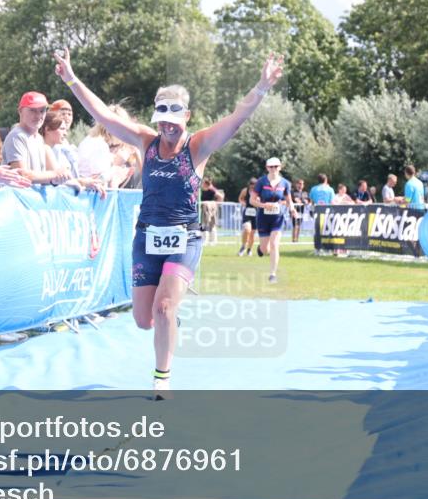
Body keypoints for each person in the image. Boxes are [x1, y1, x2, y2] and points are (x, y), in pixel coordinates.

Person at [55, 46, 283, 397]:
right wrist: (71, 78)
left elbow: (236, 118)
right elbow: (103, 114)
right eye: (162, 124)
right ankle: (168, 319)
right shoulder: (145, 141)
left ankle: (162, 378)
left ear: (186, 119)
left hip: (185, 239)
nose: (167, 130)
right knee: (144, 320)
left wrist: (262, 86)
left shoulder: (199, 146)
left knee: (163, 307)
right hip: (146, 238)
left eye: (174, 125)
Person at [2, 91, 71, 184]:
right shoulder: (16, 136)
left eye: (42, 111)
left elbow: (46, 177)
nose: (38, 115)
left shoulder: (39, 139)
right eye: (32, 110)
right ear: (20, 111)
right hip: (17, 197)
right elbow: (21, 175)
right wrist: (55, 174)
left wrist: (81, 182)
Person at [251, 157, 296, 284]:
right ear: (267, 168)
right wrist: (264, 205)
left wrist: (292, 209)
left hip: (278, 217)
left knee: (275, 244)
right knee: (266, 249)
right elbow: (252, 200)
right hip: (263, 217)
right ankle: (261, 248)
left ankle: (272, 274)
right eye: (271, 167)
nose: (274, 169)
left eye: (276, 166)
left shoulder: (285, 183)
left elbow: (289, 200)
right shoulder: (261, 182)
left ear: (280, 167)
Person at [77, 103, 138, 188]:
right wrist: (116, 166)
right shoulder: (99, 145)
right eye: (123, 128)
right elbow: (98, 180)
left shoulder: (90, 140)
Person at [237, 177, 259, 256]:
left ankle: (249, 249)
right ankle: (243, 246)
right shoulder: (245, 190)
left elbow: (263, 200)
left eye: (254, 185)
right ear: (249, 184)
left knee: (252, 233)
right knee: (247, 229)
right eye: (251, 184)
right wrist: (243, 203)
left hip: (256, 213)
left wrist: (259, 201)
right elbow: (240, 198)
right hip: (247, 212)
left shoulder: (259, 191)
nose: (252, 186)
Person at [199, 176, 221, 246]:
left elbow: (220, 196)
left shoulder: (212, 190)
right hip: (204, 209)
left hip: (210, 209)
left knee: (211, 225)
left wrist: (216, 204)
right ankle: (205, 240)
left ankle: (212, 241)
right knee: (204, 224)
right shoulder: (203, 190)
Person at [290, 178, 308, 242]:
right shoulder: (292, 191)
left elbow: (306, 201)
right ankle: (294, 239)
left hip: (301, 211)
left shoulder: (305, 193)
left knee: (299, 225)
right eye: (300, 183)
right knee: (295, 225)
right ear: (296, 184)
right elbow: (292, 200)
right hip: (294, 210)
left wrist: (304, 201)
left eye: (302, 184)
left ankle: (296, 239)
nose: (301, 185)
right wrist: (298, 201)